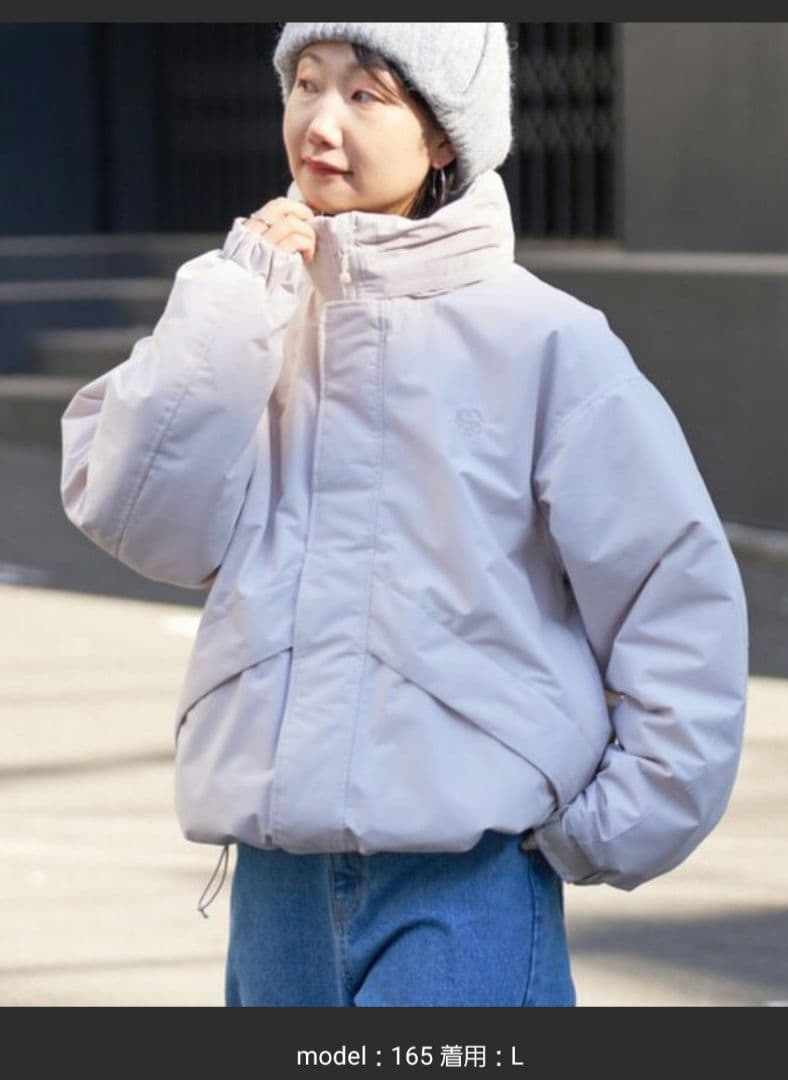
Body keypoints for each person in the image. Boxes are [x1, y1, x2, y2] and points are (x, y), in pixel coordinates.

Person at [59, 23, 749, 1007]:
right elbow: (142, 520)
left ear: (441, 137)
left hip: (467, 880)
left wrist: (620, 819)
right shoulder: (249, 313)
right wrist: (232, 306)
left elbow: (669, 588)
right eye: (306, 83)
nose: (319, 122)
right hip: (275, 886)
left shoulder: (544, 340)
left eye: (365, 94)